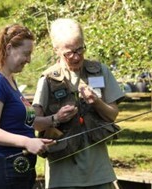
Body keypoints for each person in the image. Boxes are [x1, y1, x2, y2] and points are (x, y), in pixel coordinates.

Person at [32, 18, 125, 189]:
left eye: (80, 49)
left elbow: (113, 114)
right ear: (56, 50)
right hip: (62, 177)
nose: (76, 57)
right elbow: (35, 123)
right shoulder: (47, 79)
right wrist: (56, 118)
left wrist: (96, 102)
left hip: (99, 173)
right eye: (69, 52)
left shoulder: (100, 70)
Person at [0, 24, 52, 189]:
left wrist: (55, 119)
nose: (29, 60)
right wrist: (27, 142)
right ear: (9, 48)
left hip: (19, 167)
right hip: (2, 167)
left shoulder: (10, 79)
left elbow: (25, 121)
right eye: (26, 54)